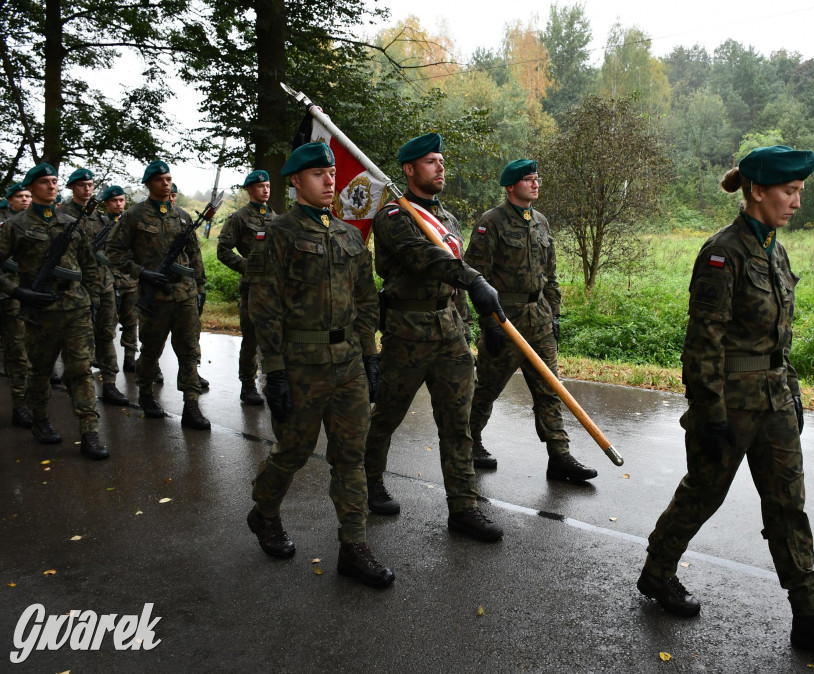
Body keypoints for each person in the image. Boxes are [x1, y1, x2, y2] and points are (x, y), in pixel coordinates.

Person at [637, 146, 814, 659]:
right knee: (703, 493)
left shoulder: (775, 251)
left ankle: (809, 617)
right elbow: (702, 342)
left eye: (799, 192)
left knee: (789, 506)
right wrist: (709, 413)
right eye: (789, 192)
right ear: (757, 192)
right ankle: (657, 571)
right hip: (730, 405)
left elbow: (779, 339)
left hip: (774, 402)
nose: (797, 203)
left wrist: (793, 393)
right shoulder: (724, 253)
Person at [245, 142, 393, 587]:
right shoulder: (280, 234)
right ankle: (264, 511)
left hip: (347, 362)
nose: (329, 180)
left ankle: (353, 546)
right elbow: (264, 305)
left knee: (351, 455)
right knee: (293, 451)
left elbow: (366, 301)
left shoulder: (348, 235)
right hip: (301, 363)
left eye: (331, 173)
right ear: (295, 181)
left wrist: (369, 355)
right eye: (317, 174)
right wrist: (273, 370)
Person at [363, 133, 506, 542]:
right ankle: (370, 482)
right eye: (431, 161)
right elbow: (428, 260)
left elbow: (455, 285)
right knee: (387, 417)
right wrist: (476, 279)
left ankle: (463, 508)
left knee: (457, 425)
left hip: (449, 335)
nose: (440, 167)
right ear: (409, 170)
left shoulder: (448, 218)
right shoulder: (393, 216)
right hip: (407, 334)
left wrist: (476, 326)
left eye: (442, 161)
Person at [464, 159, 596, 482]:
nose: (536, 184)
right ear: (511, 187)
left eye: (537, 179)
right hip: (505, 320)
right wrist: (489, 323)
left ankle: (559, 455)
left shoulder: (540, 222)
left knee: (550, 388)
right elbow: (474, 276)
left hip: (539, 317)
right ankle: (469, 442)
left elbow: (550, 275)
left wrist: (555, 314)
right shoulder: (490, 223)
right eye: (529, 180)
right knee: (487, 388)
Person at [0, 163, 108, 459]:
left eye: (54, 181)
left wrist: (93, 299)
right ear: (32, 187)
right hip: (41, 310)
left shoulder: (70, 221)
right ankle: (40, 418)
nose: (51, 186)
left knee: (82, 370)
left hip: (75, 306)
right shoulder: (16, 225)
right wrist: (17, 291)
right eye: (45, 182)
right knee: (41, 371)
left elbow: (88, 264)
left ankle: (90, 432)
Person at [106, 160, 210, 430]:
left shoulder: (183, 216)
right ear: (148, 183)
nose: (166, 183)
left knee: (189, 351)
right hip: (154, 298)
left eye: (168, 179)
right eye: (160, 179)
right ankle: (146, 394)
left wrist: (200, 288)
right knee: (151, 350)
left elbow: (195, 256)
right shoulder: (134, 216)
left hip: (184, 295)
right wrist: (142, 273)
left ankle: (191, 405)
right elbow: (114, 252)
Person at [60, 169, 129, 407]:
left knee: (106, 333)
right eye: (81, 185)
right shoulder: (62, 215)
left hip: (104, 283)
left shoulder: (101, 218)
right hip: (77, 286)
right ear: (71, 188)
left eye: (89, 185)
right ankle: (77, 381)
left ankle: (109, 383)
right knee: (78, 338)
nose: (87, 189)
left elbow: (114, 250)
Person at [217, 169, 276, 405]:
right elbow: (222, 250)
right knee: (251, 338)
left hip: (275, 288)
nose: (265, 189)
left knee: (274, 337)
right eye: (260, 186)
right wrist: (246, 266)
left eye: (268, 185)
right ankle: (248, 384)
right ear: (250, 189)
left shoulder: (277, 217)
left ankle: (272, 382)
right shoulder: (238, 218)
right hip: (253, 288)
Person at [0, 182, 33, 428]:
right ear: (9, 199)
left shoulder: (33, 225)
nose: (25, 200)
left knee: (18, 351)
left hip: (16, 296)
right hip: (8, 288)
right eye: (20, 196)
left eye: (28, 195)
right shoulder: (7, 226)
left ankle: (20, 405)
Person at [101, 186, 139, 373]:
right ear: (107, 203)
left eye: (122, 200)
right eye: (115, 201)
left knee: (131, 322)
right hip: (109, 281)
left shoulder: (131, 223)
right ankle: (107, 362)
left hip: (130, 280)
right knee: (109, 324)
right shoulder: (100, 223)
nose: (119, 204)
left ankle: (130, 358)